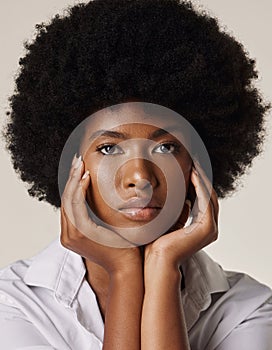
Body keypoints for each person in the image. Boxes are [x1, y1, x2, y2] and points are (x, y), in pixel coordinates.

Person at [1, 0, 272, 349]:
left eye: (166, 147)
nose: (140, 177)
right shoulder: (14, 306)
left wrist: (162, 267)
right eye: (109, 148)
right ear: (69, 163)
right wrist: (124, 272)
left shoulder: (247, 311)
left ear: (198, 165)